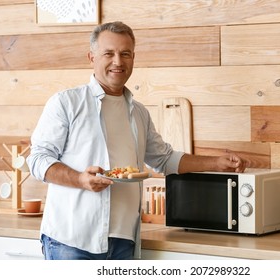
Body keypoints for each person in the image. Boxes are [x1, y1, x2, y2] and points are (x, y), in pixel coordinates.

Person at [27, 21, 246, 260]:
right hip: (72, 240)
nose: (118, 62)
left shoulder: (139, 112)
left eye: (125, 54)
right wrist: (80, 179)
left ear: (133, 58)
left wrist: (217, 163)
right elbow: (38, 159)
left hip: (123, 241)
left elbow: (163, 159)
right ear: (91, 57)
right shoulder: (66, 103)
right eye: (108, 53)